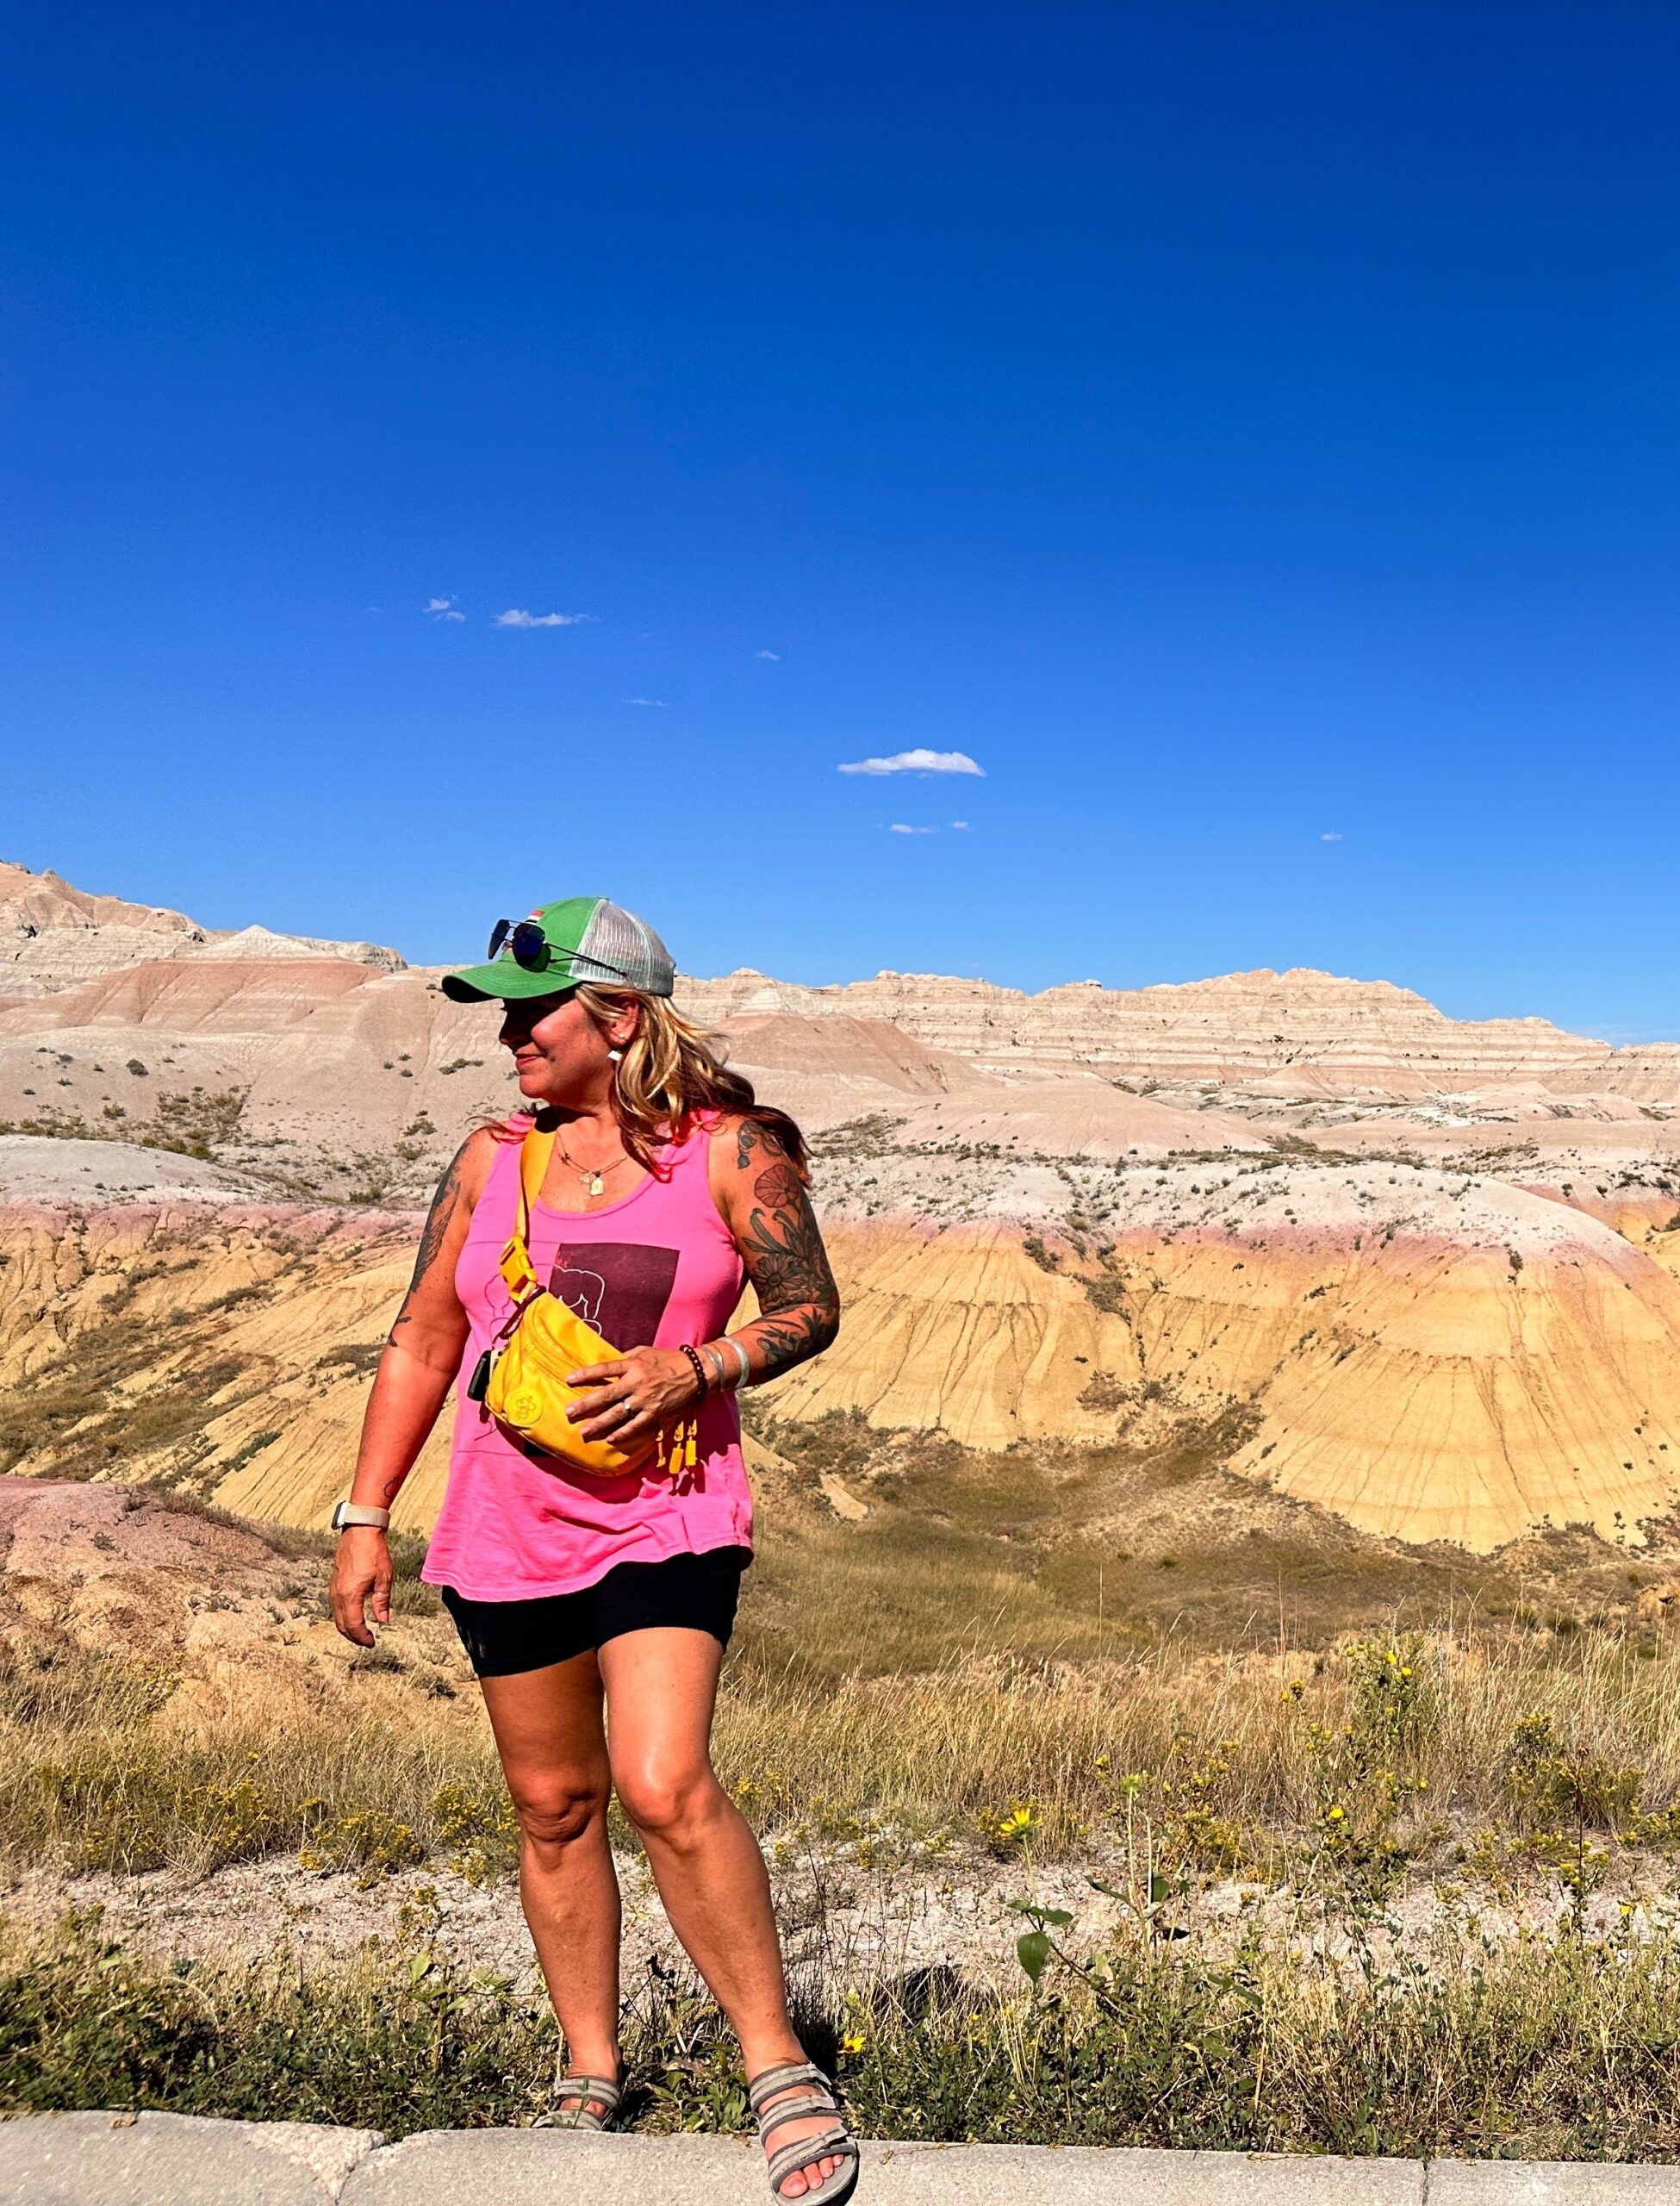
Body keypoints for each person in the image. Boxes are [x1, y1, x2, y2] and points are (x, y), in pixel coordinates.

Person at [327, 897, 856, 2206]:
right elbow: (423, 1342)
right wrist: (363, 1512)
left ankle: (776, 2064)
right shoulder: (490, 1158)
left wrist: (696, 1364)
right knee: (554, 1806)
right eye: (505, 1010)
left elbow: (807, 1307)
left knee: (665, 1781)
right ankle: (589, 2066)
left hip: (668, 1511)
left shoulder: (736, 1150)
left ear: (616, 1016)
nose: (509, 1031)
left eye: (531, 1006)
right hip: (506, 1522)